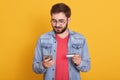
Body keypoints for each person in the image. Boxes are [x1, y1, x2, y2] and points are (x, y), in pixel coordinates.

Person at [32, 3, 90, 80]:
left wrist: (79, 63)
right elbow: (35, 67)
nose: (57, 25)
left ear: (68, 20)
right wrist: (43, 65)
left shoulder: (80, 39)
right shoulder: (42, 39)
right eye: (54, 21)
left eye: (61, 21)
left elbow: (87, 66)